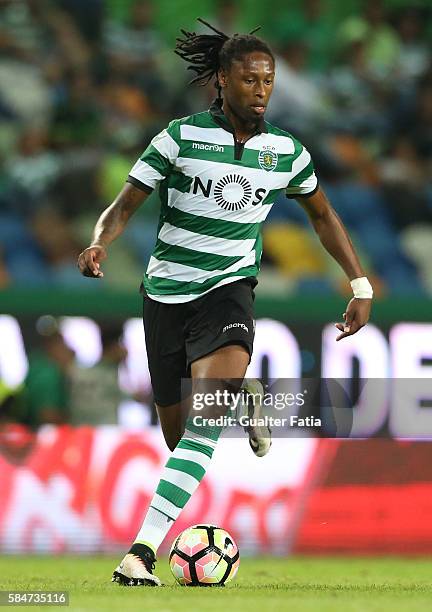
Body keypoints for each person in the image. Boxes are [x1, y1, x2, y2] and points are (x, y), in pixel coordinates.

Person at [77, 19, 373, 586]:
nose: (261, 91)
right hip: (165, 292)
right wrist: (99, 242)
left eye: (268, 81)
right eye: (249, 80)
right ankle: (245, 394)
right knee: (177, 433)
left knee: (204, 425)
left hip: (229, 291)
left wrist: (359, 284)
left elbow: (322, 215)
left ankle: (140, 552)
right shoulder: (179, 138)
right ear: (221, 81)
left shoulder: (285, 151)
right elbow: (124, 205)